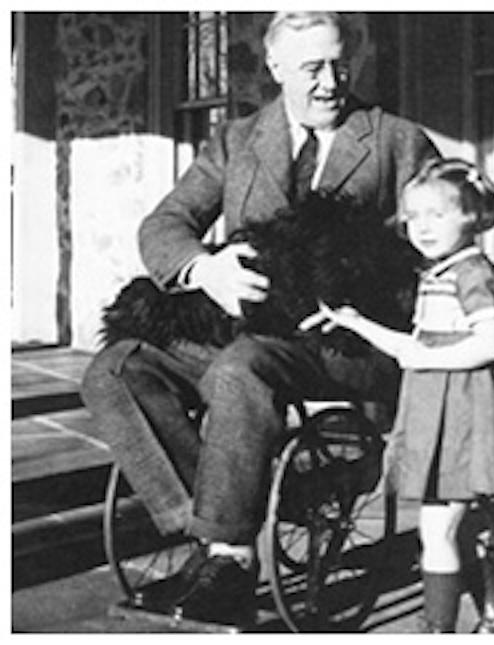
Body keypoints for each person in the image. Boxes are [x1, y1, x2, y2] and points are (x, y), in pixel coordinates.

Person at [80, 11, 439, 624]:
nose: (331, 82)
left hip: (341, 345)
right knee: (116, 369)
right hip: (243, 331)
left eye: (340, 64)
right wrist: (204, 270)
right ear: (275, 68)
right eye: (312, 68)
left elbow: (437, 250)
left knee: (240, 369)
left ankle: (231, 557)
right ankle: (211, 533)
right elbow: (164, 225)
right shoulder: (237, 140)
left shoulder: (396, 141)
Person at [301, 157, 494, 633]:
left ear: (472, 215)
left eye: (437, 214)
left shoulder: (473, 274)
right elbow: (411, 348)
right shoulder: (438, 272)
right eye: (413, 217)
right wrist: (355, 322)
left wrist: (428, 359)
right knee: (455, 527)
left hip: (465, 417)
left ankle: (437, 629)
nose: (422, 227)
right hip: (436, 414)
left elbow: (493, 343)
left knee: (436, 531)